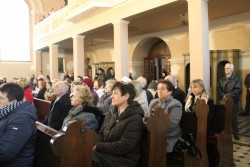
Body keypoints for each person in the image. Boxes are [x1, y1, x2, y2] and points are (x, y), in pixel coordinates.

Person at [92, 82, 144, 167]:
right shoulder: (112, 111)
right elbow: (101, 133)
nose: (111, 97)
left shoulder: (135, 118)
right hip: (107, 153)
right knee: (82, 152)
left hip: (124, 159)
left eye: (115, 94)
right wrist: (95, 145)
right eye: (112, 93)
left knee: (88, 157)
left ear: (126, 96)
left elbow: (124, 146)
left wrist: (98, 146)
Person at [0, 83, 37, 166]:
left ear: (13, 101)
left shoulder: (21, 120)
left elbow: (5, 154)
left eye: (1, 98)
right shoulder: (7, 113)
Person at [148, 80, 182, 153]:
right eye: (158, 89)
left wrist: (154, 130)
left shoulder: (175, 104)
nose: (159, 91)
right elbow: (147, 118)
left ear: (170, 92)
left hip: (168, 135)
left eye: (162, 89)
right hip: (152, 133)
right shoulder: (153, 102)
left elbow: (172, 124)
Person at [218, 63, 242, 140]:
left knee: (233, 118)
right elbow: (219, 90)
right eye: (225, 68)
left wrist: (229, 95)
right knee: (223, 117)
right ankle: (224, 133)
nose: (226, 70)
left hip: (233, 101)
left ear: (232, 69)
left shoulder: (237, 79)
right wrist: (224, 95)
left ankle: (235, 134)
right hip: (224, 101)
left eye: (228, 68)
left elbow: (238, 90)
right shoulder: (221, 79)